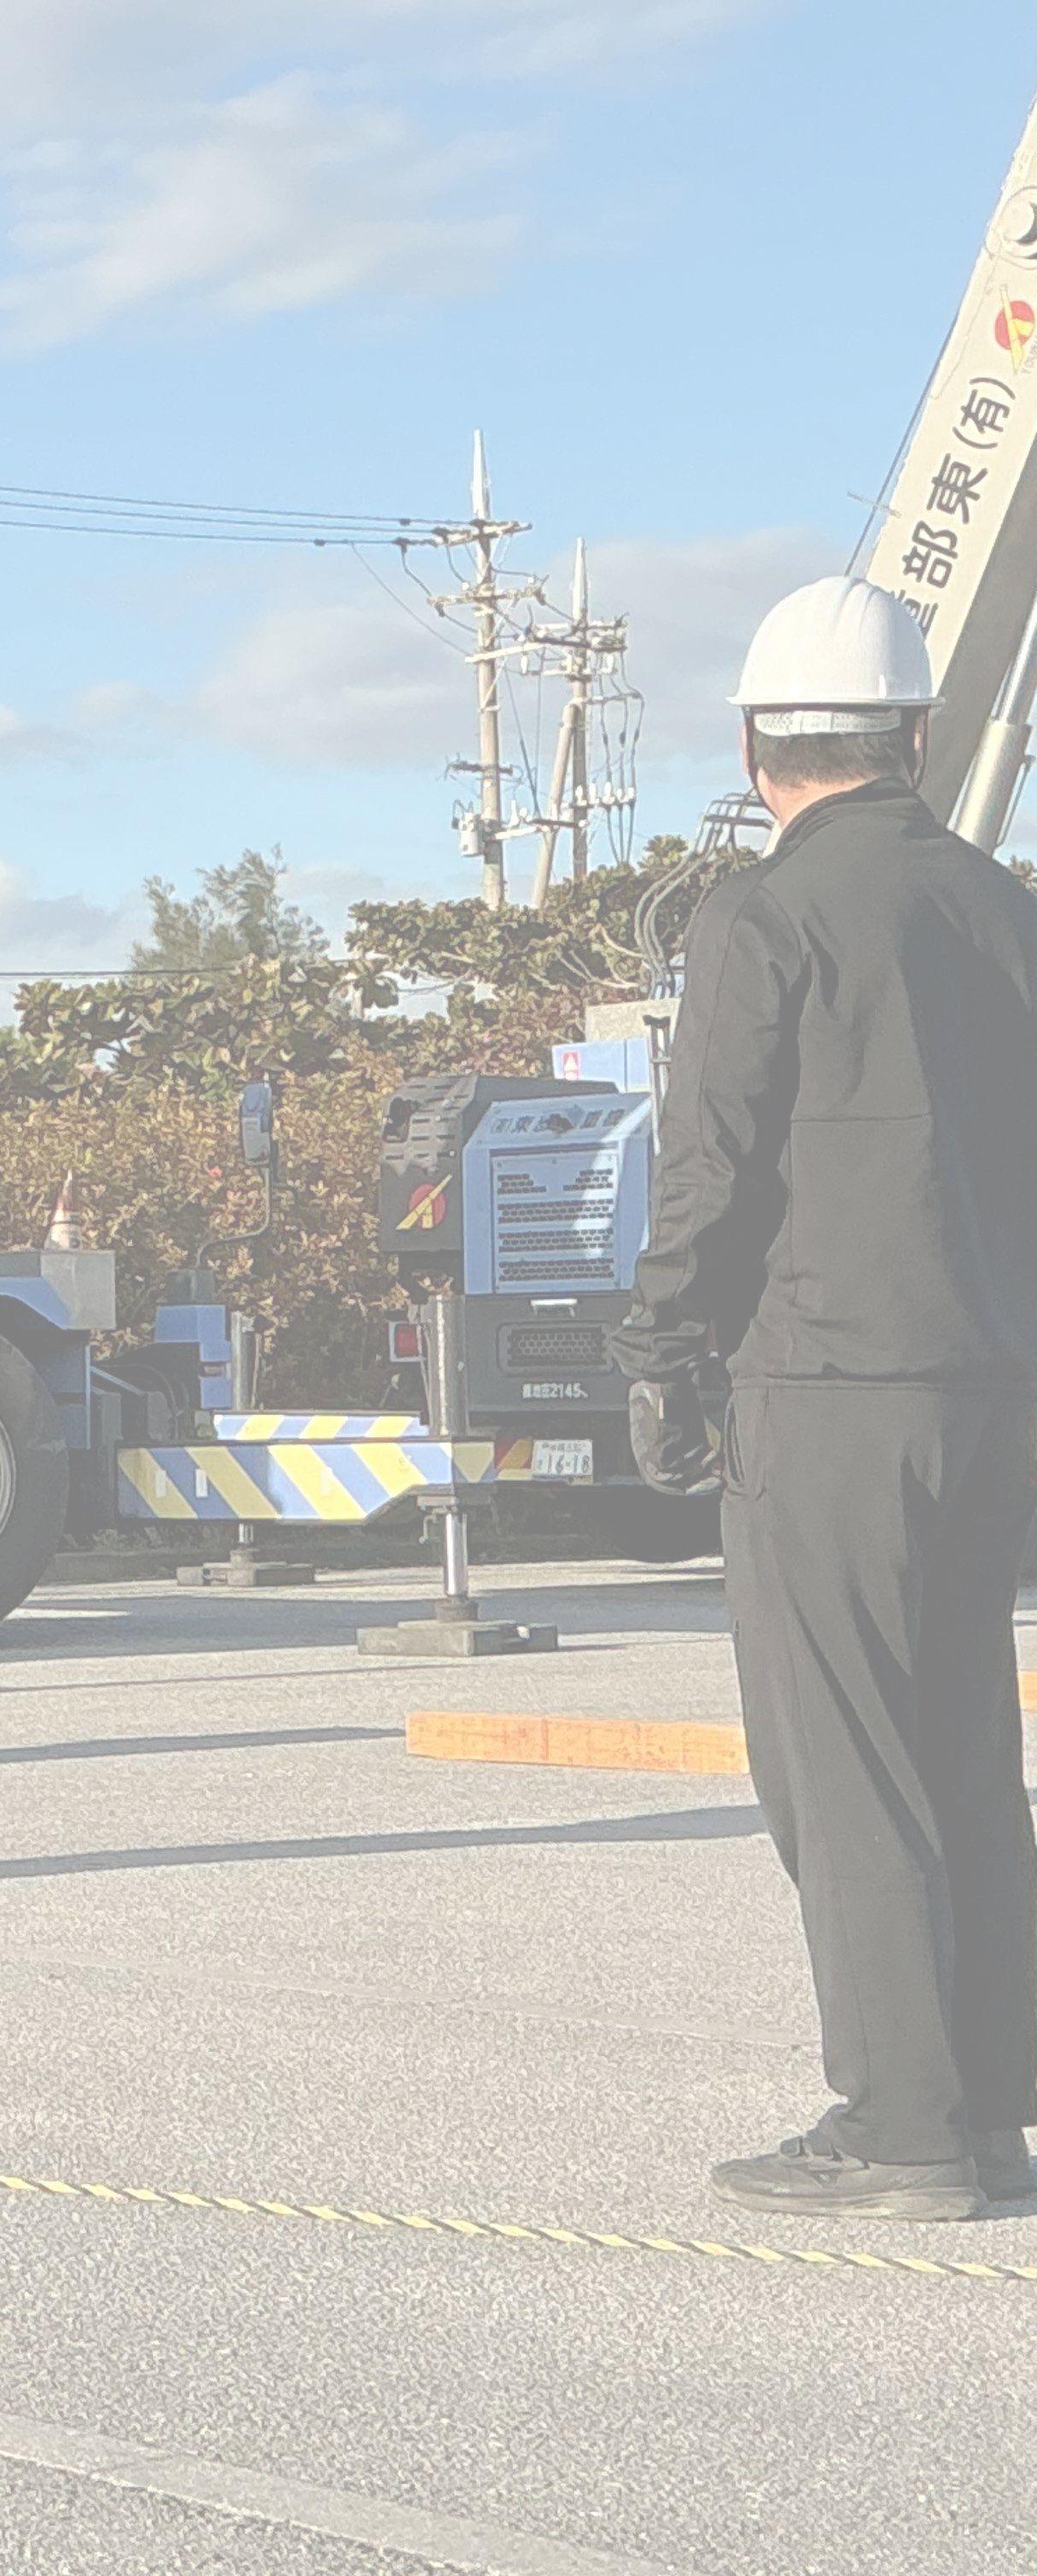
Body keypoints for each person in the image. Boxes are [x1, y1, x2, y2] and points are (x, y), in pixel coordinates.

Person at [613, 574, 1037, 2221]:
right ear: (917, 735)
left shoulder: (761, 920)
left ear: (752, 743)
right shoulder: (1005, 907)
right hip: (992, 1383)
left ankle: (901, 2126)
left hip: (829, 1385)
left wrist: (663, 1362)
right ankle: (991, 2100)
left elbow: (712, 1169)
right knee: (957, 1737)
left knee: (841, 1758)